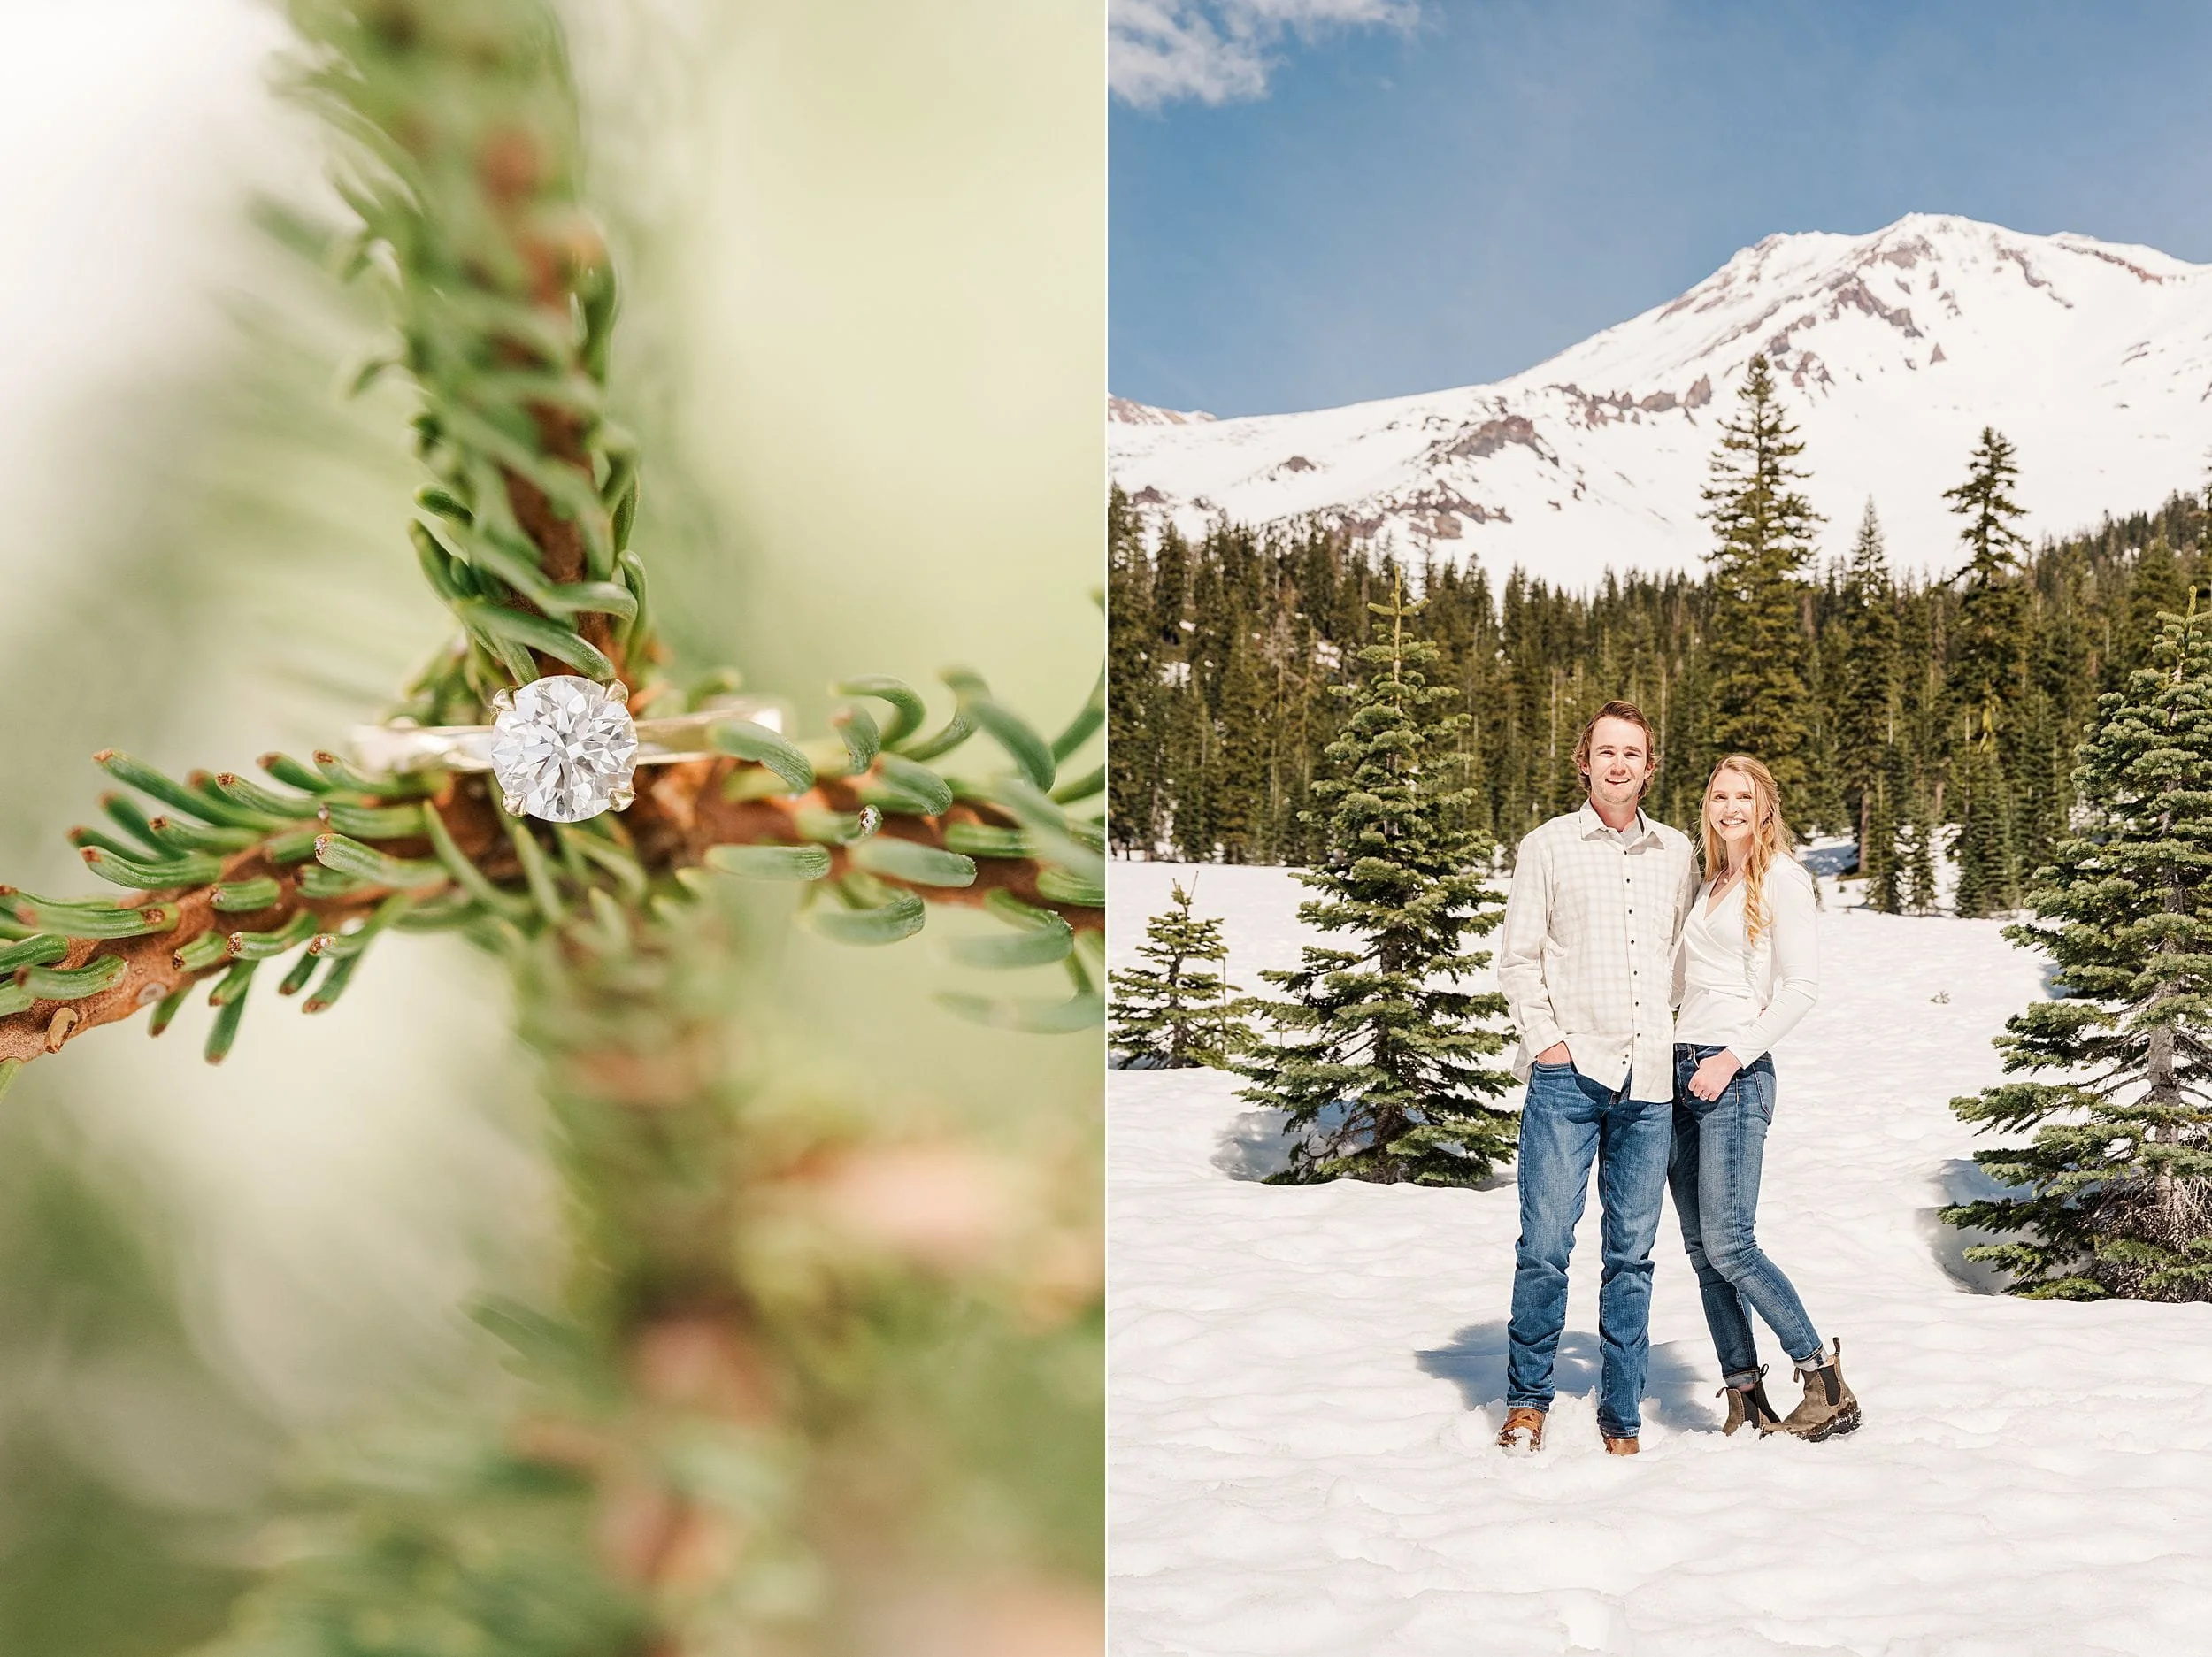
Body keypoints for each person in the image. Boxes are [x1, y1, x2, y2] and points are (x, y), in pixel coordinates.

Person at [1494, 701, 1698, 1456]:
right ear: (1584, 761)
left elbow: (1686, 953)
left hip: (1649, 1082)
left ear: (1651, 767)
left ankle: (1621, 1416)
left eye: (1632, 753)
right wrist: (1548, 1044)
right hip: (1568, 1080)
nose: (1619, 764)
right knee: (1545, 1245)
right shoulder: (1546, 846)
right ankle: (1526, 1401)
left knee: (1632, 1256)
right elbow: (1517, 956)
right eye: (1605, 751)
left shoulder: (1677, 851)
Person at [1670, 754, 1857, 1441]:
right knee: (1701, 1248)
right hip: (1679, 1068)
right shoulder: (1710, 878)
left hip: (1734, 1074)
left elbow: (1800, 989)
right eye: (1719, 796)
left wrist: (1731, 1057)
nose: (1729, 809)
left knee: (1731, 1241)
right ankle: (1744, 1394)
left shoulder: (1781, 877)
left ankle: (1823, 1377)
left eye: (1742, 797)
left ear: (1765, 806)